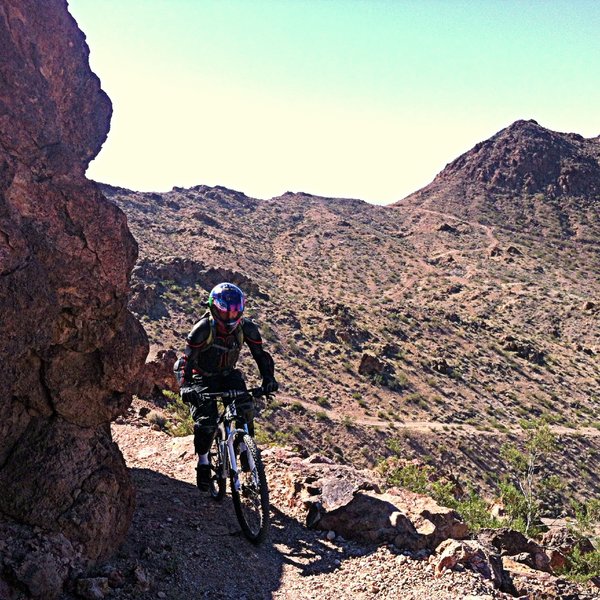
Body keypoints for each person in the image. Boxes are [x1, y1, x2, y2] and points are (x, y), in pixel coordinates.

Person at [174, 282, 278, 490]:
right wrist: (186, 387)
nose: (230, 318)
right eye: (225, 313)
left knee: (245, 408)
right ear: (214, 309)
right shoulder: (203, 329)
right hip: (202, 377)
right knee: (207, 422)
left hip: (228, 374)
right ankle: (203, 462)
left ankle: (246, 450)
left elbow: (261, 356)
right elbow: (186, 361)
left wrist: (268, 379)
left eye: (235, 313)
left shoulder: (246, 328)